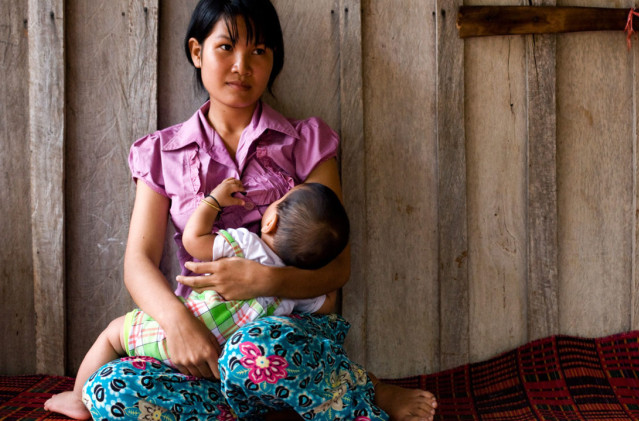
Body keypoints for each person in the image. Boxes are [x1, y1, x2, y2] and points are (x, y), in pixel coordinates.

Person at [77, 0, 438, 419]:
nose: (241, 66)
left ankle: (364, 388)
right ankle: (265, 407)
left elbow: (338, 269)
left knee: (256, 354)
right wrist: (179, 325)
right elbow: (137, 263)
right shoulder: (162, 153)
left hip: (285, 337)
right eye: (226, 47)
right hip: (202, 334)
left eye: (259, 52)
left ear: (273, 61)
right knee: (108, 391)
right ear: (197, 52)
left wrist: (265, 278)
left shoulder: (306, 143)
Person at [43, 179, 347, 419]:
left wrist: (212, 202)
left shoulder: (245, 245)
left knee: (112, 334)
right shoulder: (297, 292)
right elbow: (326, 305)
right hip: (225, 367)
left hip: (177, 334)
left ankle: (77, 395)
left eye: (279, 201)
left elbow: (194, 241)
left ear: (269, 222)